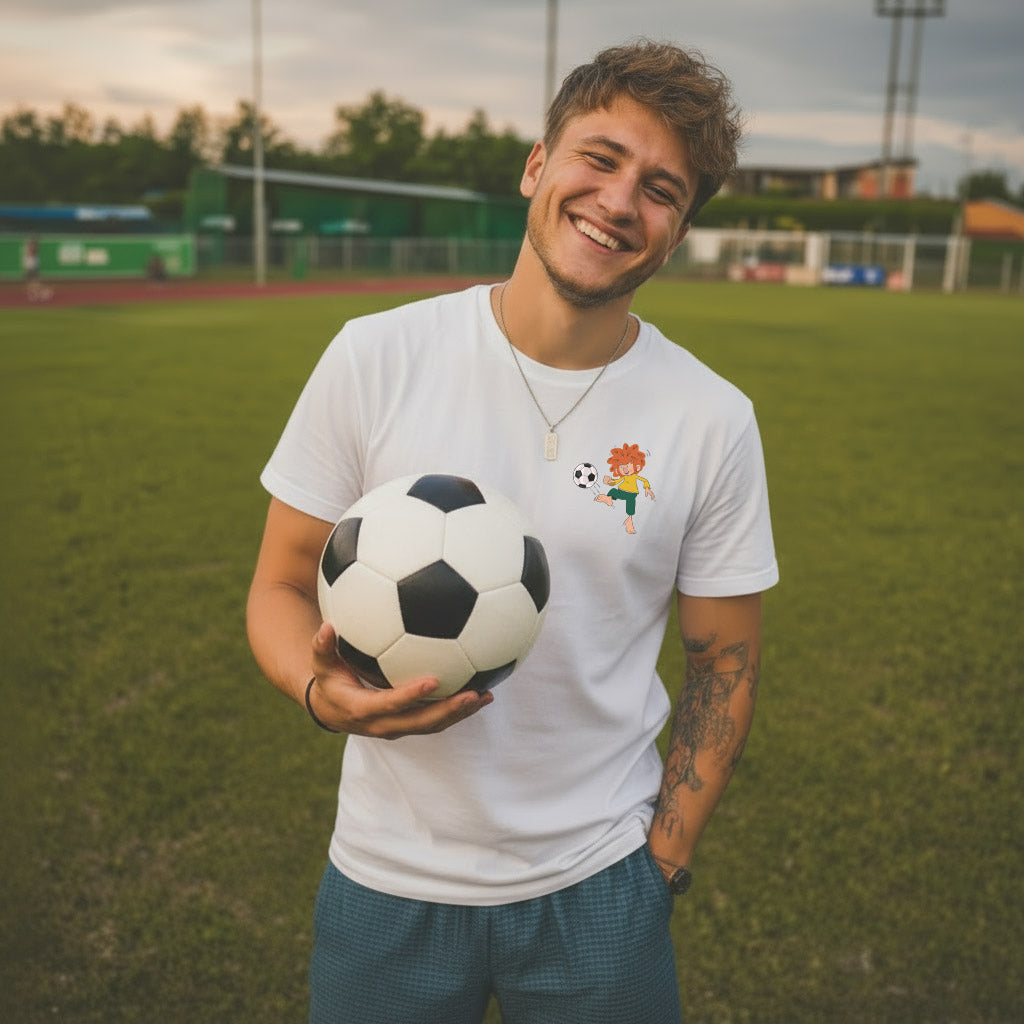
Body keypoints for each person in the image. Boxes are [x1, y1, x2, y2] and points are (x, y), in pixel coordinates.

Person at [247, 39, 778, 1024]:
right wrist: (322, 694)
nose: (620, 201)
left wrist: (662, 861)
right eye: (600, 157)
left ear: (678, 229)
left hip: (600, 884)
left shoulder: (710, 417)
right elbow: (279, 583)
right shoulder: (377, 356)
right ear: (537, 164)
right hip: (384, 876)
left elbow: (724, 665)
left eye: (661, 188)